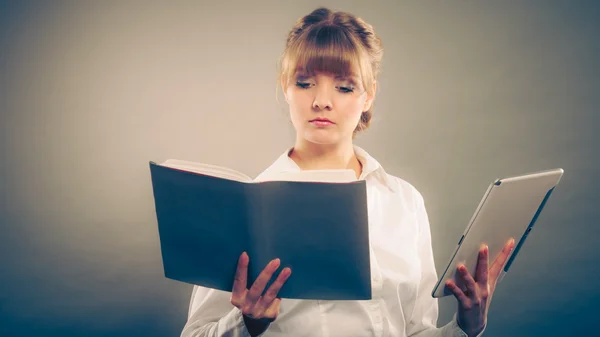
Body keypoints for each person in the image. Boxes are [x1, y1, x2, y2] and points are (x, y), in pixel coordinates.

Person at [180, 7, 515, 337]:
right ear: (285, 86)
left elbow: (415, 331)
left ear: (368, 96)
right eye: (305, 82)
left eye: (344, 87)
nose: (322, 101)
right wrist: (246, 324)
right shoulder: (246, 210)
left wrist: (466, 328)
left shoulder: (404, 201)